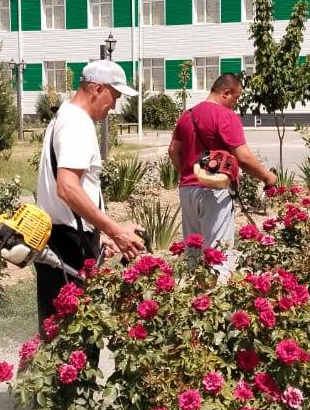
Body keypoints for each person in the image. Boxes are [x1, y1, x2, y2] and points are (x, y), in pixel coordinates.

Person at [35, 60, 145, 328]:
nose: (114, 106)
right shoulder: (77, 124)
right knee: (77, 336)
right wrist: (115, 231)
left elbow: (71, 190)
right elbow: (67, 187)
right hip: (68, 244)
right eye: (114, 96)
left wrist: (98, 234)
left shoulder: (64, 117)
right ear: (96, 89)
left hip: (59, 238)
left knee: (60, 332)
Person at [169, 72, 277, 269]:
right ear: (226, 92)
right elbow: (243, 158)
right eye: (236, 98)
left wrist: (187, 174)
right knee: (218, 254)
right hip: (215, 191)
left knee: (193, 251)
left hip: (187, 190)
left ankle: (193, 286)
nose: (235, 103)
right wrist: (267, 177)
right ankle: (219, 288)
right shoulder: (226, 116)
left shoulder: (187, 115)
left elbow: (173, 151)